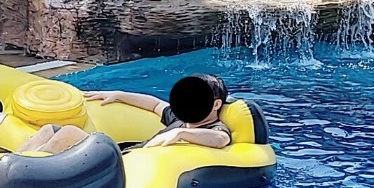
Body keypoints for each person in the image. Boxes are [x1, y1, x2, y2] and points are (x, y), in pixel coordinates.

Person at [18, 74, 234, 153]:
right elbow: (154, 104)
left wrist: (181, 134)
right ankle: (12, 162)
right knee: (49, 130)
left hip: (124, 165)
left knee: (70, 133)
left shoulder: (212, 128)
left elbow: (221, 139)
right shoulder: (180, 118)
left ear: (216, 104)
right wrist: (118, 95)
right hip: (124, 152)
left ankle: (27, 170)